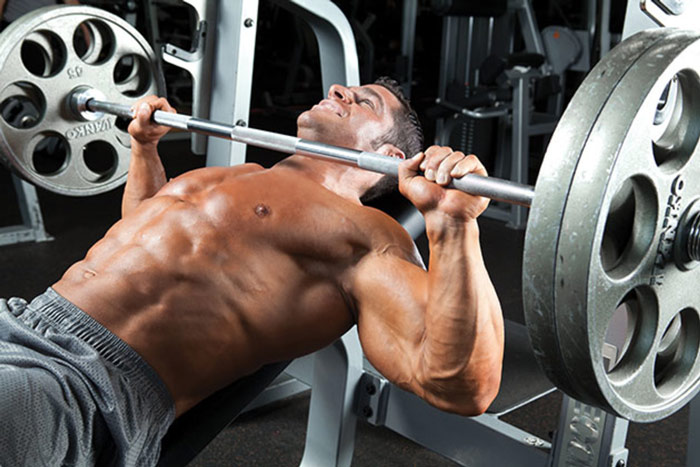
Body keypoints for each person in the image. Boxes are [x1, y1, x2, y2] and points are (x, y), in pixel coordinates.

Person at [0, 77, 504, 466]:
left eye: (364, 101)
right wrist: (145, 149)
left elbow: (462, 385)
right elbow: (141, 233)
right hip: (22, 321)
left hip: (86, 383)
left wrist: (454, 226)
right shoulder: (242, 176)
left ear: (391, 158)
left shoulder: (366, 234)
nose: (337, 91)